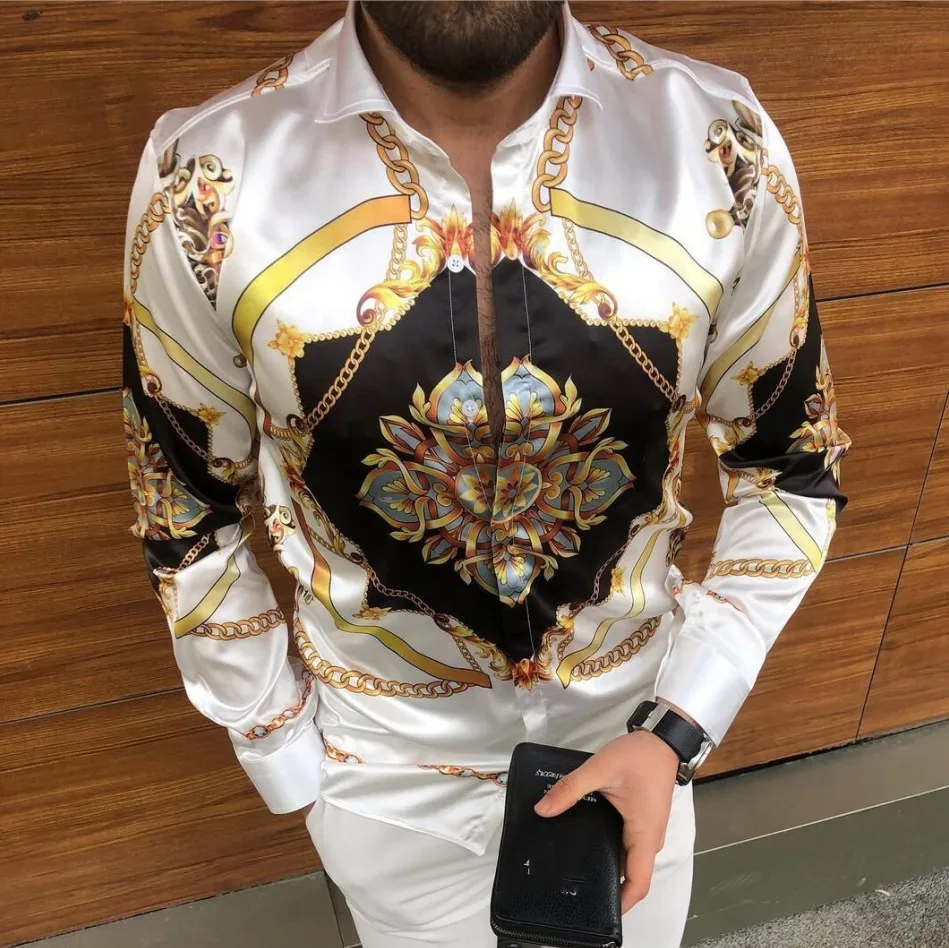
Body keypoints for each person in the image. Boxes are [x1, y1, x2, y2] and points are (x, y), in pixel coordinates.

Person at [121, 2, 850, 946]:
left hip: (633, 750)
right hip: (383, 783)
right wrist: (289, 757)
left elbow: (790, 466)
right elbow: (182, 507)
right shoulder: (205, 176)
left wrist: (677, 726)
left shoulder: (715, 138)